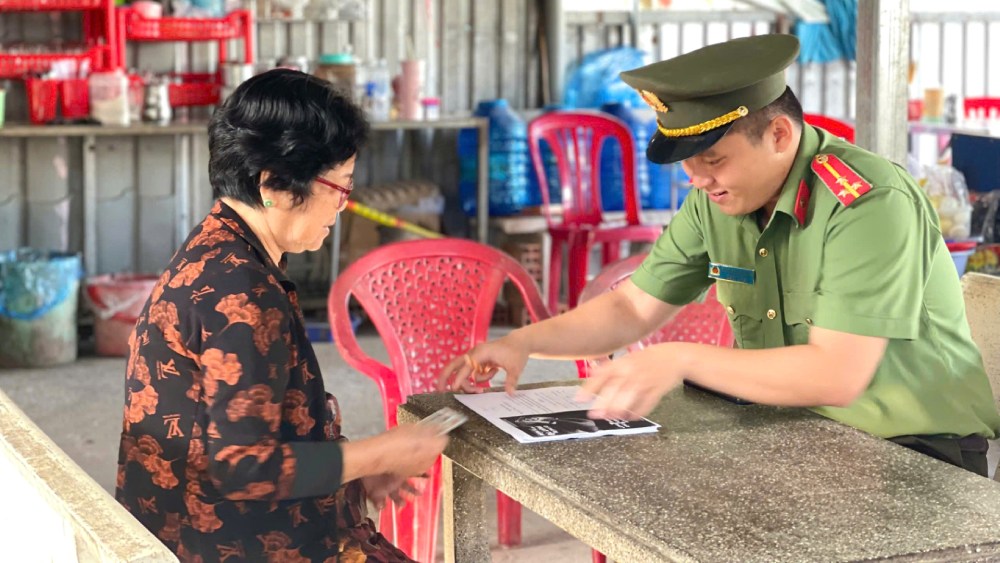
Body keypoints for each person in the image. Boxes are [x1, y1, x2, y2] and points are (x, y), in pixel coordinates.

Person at [439, 34, 1000, 476]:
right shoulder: (720, 198)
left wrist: (677, 357)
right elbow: (632, 309)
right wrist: (521, 342)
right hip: (800, 439)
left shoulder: (867, 203)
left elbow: (835, 374)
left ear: (779, 134)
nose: (697, 179)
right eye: (687, 163)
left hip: (918, 454)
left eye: (713, 158)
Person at [116, 69, 447, 562]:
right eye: (339, 188)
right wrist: (384, 452)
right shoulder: (243, 293)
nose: (341, 207)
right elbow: (243, 468)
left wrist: (355, 470)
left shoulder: (216, 249)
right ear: (274, 184)